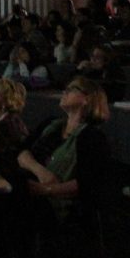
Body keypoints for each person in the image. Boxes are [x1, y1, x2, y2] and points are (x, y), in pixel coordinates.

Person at [15, 76, 110, 206]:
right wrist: (41, 171)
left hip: (56, 203)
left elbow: (87, 183)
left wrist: (44, 189)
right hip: (30, 184)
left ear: (86, 99)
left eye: (71, 89)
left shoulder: (92, 137)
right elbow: (22, 151)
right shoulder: (51, 123)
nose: (64, 92)